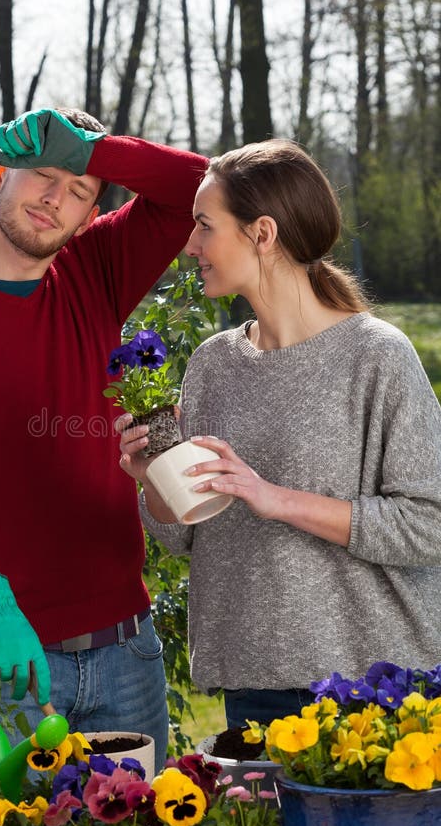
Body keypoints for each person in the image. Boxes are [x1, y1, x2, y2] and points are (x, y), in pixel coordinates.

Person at [0, 106, 208, 769]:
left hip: (126, 653)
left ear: (91, 213)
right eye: (42, 175)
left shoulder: (95, 270)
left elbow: (196, 186)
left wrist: (92, 150)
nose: (56, 198)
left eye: (79, 188)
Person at [117, 139, 441, 730]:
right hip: (254, 686)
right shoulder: (214, 364)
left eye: (204, 227)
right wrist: (156, 483)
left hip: (371, 690)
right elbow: (184, 538)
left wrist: (275, 499)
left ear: (261, 234)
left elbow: (429, 524)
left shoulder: (376, 357)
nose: (190, 245)